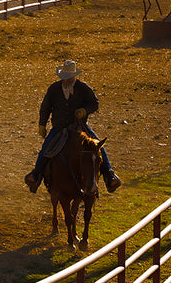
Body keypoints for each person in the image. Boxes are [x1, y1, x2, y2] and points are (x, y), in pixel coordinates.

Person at [25, 59, 122, 194]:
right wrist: (42, 124)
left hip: (80, 127)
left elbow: (94, 104)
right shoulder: (54, 88)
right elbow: (45, 107)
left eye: (68, 77)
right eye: (64, 77)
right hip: (59, 127)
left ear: (74, 76)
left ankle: (109, 175)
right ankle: (36, 175)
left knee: (98, 147)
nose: (66, 80)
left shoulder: (83, 88)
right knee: (45, 149)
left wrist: (84, 110)